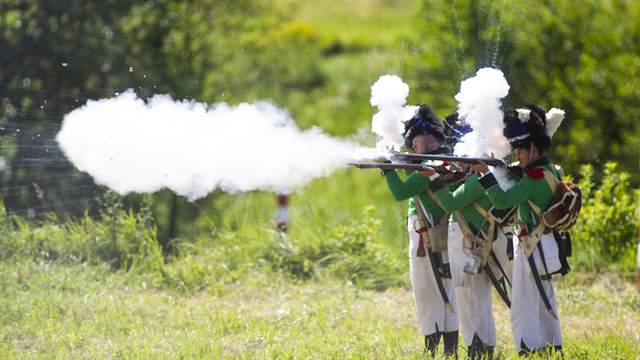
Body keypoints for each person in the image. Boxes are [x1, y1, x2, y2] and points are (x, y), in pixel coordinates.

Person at [472, 104, 567, 357]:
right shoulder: (552, 170)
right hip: (543, 246)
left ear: (533, 148)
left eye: (519, 148)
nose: (516, 153)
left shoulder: (534, 176)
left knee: (524, 304)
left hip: (531, 248)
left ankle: (528, 349)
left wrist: (485, 175)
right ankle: (552, 346)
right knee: (544, 299)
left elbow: (502, 202)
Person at [417, 113, 509, 360]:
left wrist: (435, 178)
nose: (461, 164)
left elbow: (448, 204)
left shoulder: (476, 182)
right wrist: (449, 178)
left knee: (467, 301)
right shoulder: (483, 180)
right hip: (475, 244)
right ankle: (486, 348)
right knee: (479, 301)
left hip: (467, 245)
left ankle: (475, 350)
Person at [377, 104, 459, 357]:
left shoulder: (433, 163)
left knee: (426, 290)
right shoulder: (444, 158)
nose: (412, 144)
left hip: (426, 232)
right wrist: (401, 162)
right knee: (446, 292)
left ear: (430, 137)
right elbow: (415, 182)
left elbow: (401, 192)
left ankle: (431, 350)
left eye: (415, 139)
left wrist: (386, 168)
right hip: (441, 231)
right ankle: (450, 350)